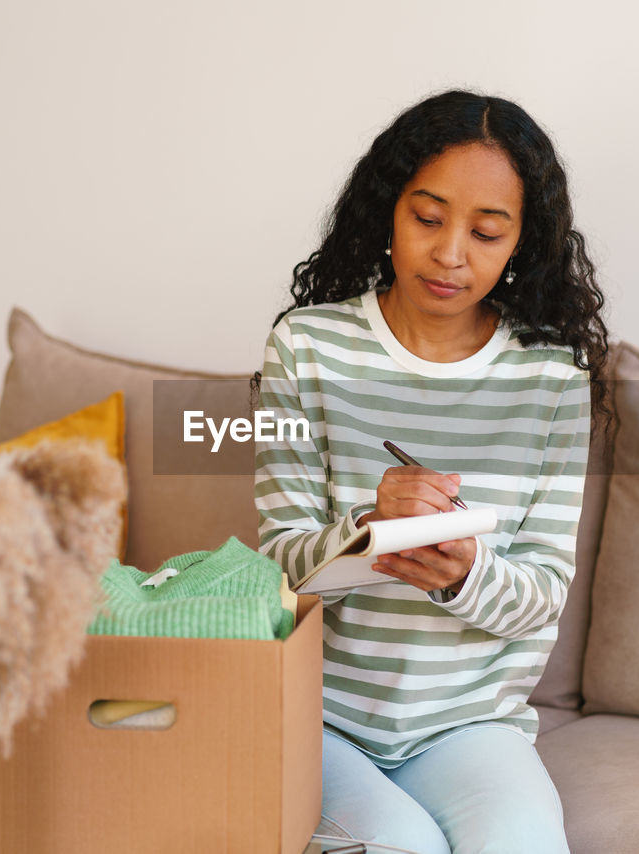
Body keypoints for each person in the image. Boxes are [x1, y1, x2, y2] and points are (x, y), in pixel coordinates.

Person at [254, 89, 611, 854]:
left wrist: (460, 573)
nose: (451, 253)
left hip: (470, 729)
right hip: (317, 717)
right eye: (427, 218)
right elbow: (275, 574)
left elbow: (542, 596)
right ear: (388, 211)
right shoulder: (307, 349)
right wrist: (366, 538)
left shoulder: (552, 377)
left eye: (487, 232)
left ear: (523, 243)